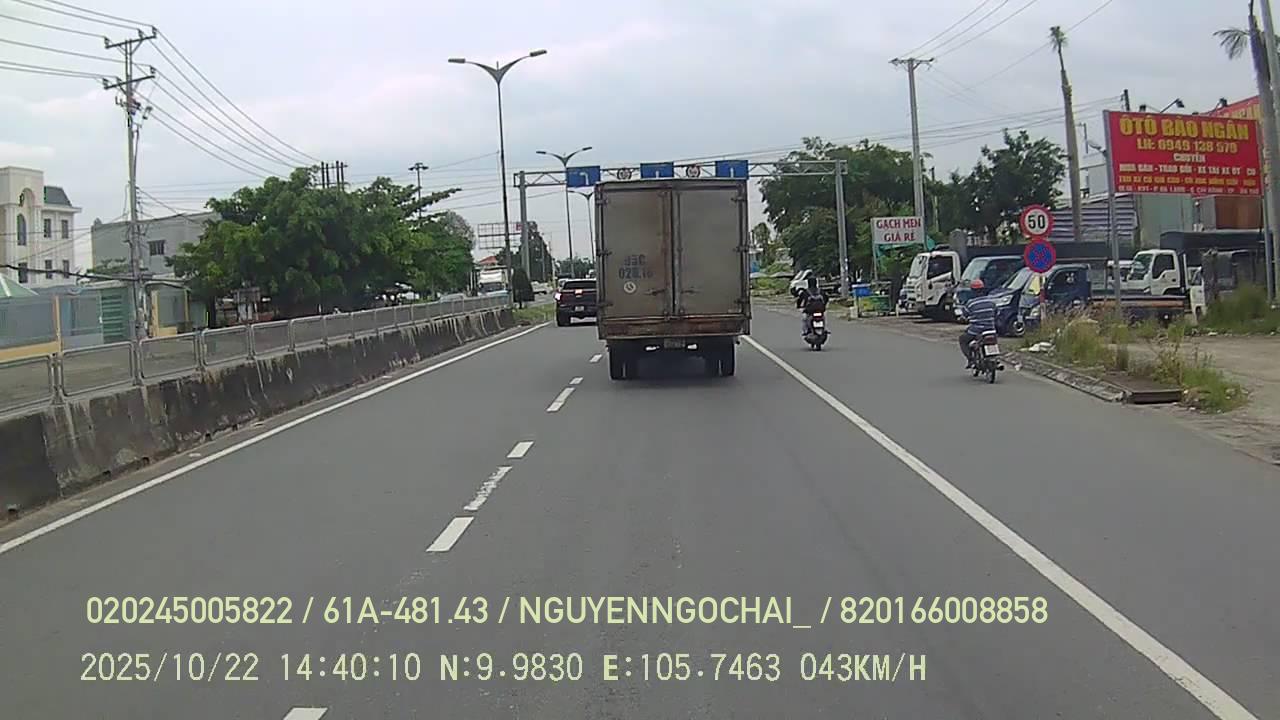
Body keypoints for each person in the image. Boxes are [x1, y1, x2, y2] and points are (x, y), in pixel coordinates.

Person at [959, 292, 998, 367]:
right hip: (991, 330)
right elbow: (996, 313)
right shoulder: (991, 302)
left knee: (963, 339)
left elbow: (964, 316)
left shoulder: (971, 303)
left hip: (976, 331)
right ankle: (995, 359)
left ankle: (970, 359)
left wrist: (962, 319)